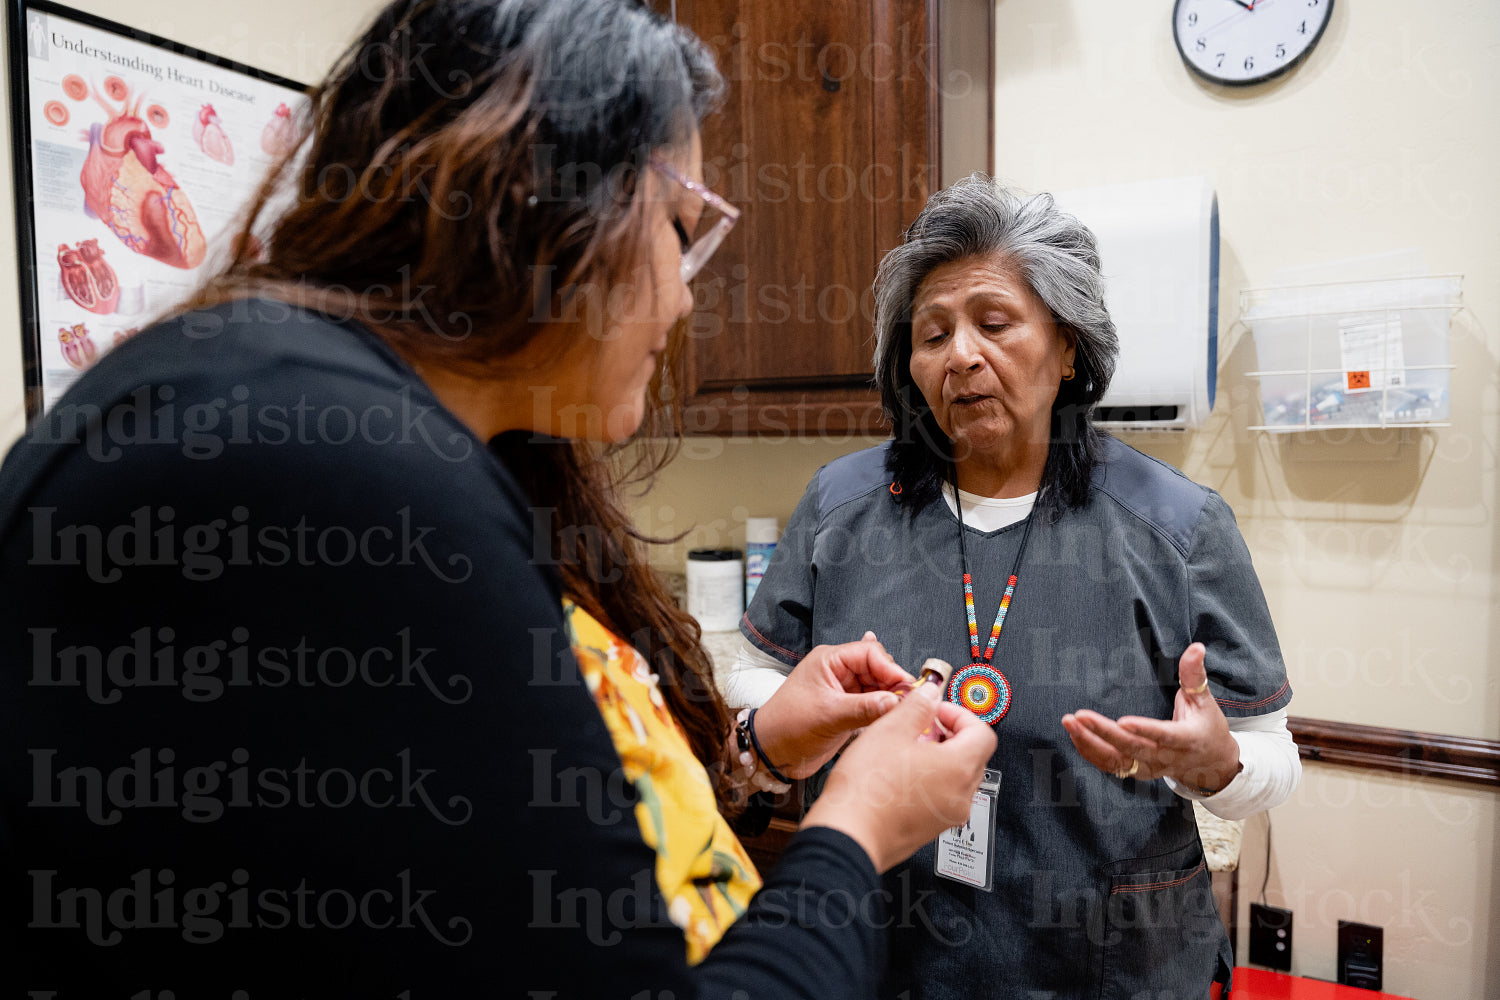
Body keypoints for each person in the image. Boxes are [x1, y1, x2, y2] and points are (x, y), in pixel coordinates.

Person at [0, 2, 996, 995]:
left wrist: (761, 748)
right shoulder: (336, 477)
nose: (689, 296)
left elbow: (521, 851)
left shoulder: (311, 408)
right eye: (680, 228)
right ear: (549, 197)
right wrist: (859, 826)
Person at [731, 176, 1302, 999]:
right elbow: (759, 675)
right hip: (892, 957)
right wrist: (804, 727)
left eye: (994, 323)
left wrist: (1218, 767)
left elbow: (1271, 752)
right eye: (932, 334)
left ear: (1068, 348)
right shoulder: (843, 504)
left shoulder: (1178, 527)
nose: (961, 354)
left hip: (1108, 962)